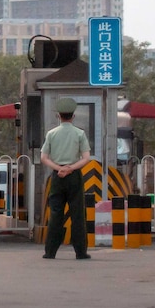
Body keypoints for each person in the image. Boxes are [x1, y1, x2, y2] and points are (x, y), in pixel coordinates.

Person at [40, 97, 92, 260]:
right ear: (73, 116)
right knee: (77, 214)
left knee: (56, 213)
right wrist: (70, 168)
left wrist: (59, 169)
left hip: (57, 177)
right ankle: (80, 252)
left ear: (58, 116)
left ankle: (50, 251)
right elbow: (86, 158)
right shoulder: (79, 133)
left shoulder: (51, 134)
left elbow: (44, 157)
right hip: (74, 176)